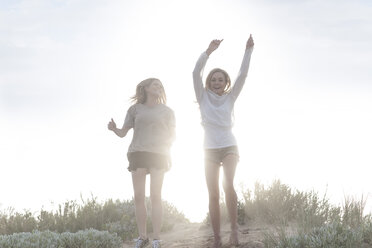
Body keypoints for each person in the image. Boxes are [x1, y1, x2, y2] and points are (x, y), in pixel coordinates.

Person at [192, 35, 254, 248]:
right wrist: (208, 52)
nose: (216, 82)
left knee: (228, 184)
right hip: (208, 149)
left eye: (220, 79)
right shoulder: (202, 97)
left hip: (229, 146)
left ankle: (234, 229)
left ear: (226, 83)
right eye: (213, 79)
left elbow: (243, 75)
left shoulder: (230, 97)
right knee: (213, 192)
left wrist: (248, 51)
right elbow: (194, 72)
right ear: (208, 83)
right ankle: (217, 236)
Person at [108, 78, 175, 248]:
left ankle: (157, 238)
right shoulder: (135, 109)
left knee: (155, 196)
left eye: (161, 85)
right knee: (139, 197)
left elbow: (173, 135)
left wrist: (164, 146)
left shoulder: (167, 111)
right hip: (137, 152)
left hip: (159, 154)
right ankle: (142, 237)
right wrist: (114, 129)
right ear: (145, 88)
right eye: (155, 85)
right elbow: (123, 133)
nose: (159, 87)